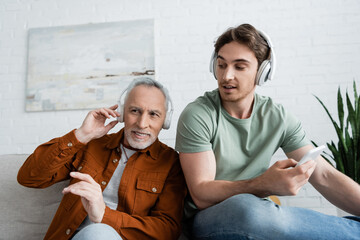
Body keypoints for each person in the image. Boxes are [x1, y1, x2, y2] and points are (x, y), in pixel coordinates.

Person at [175, 23, 360, 239]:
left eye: (239, 67)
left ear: (263, 72)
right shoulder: (198, 114)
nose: (226, 76)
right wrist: (263, 184)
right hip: (205, 218)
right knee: (248, 209)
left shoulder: (277, 116)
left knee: (256, 210)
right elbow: (201, 194)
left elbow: (325, 175)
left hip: (256, 211)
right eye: (221, 65)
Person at [18, 77, 187, 240]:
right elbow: (30, 177)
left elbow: (167, 230)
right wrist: (81, 135)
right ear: (121, 114)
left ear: (165, 120)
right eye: (135, 111)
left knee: (98, 233)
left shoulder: (171, 163)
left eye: (153, 114)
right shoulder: (91, 145)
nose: (142, 123)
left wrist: (104, 215)